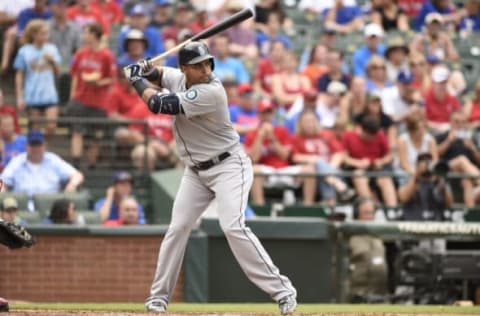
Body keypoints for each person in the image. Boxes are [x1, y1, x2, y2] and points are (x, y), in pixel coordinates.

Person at [123, 40, 297, 313]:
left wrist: (135, 79)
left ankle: (283, 291)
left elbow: (158, 103)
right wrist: (145, 69)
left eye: (207, 63)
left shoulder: (212, 91)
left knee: (233, 226)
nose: (205, 69)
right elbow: (159, 76)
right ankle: (158, 297)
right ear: (185, 69)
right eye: (198, 65)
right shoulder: (179, 77)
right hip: (196, 172)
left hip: (229, 166)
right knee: (177, 228)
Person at [245, 99, 317, 206]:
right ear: (259, 115)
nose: (266, 116)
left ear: (272, 114)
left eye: (269, 112)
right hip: (266, 172)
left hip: (284, 170)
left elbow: (285, 156)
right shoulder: (252, 134)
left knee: (309, 170)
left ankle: (308, 207)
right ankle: (259, 209)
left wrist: (273, 139)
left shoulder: (281, 130)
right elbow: (254, 159)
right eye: (263, 113)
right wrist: (260, 137)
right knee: (254, 170)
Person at [67, 23, 116, 169]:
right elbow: (75, 75)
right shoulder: (81, 53)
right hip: (81, 98)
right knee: (77, 131)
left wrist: (99, 82)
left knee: (97, 135)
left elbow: (111, 78)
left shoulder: (107, 55)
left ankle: (91, 164)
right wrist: (72, 96)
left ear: (95, 35)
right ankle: (76, 162)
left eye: (86, 33)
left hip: (99, 102)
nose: (84, 36)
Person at [14, 19, 61, 136]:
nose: (46, 36)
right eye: (42, 33)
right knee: (35, 129)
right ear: (34, 34)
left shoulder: (52, 49)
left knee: (51, 126)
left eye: (47, 33)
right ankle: (36, 149)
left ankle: (41, 147)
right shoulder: (24, 51)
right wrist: (20, 96)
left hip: (49, 94)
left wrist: (53, 62)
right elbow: (19, 74)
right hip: (32, 95)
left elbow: (58, 73)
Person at [1, 130, 84, 196]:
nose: (36, 148)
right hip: (21, 209)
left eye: (38, 145)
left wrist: (72, 185)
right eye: (33, 145)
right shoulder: (17, 161)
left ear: (44, 145)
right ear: (26, 145)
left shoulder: (53, 160)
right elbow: (3, 181)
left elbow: (77, 175)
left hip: (49, 208)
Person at [348, 197, 388, 302]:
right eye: (365, 213)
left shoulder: (377, 236)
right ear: (356, 214)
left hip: (380, 295)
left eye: (371, 213)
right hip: (357, 295)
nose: (369, 217)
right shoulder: (349, 237)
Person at [398, 152, 453, 221]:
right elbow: (403, 198)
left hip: (435, 224)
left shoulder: (438, 181)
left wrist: (441, 184)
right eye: (423, 161)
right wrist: (416, 176)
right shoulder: (409, 180)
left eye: (429, 161)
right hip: (414, 224)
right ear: (417, 165)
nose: (426, 163)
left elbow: (449, 204)